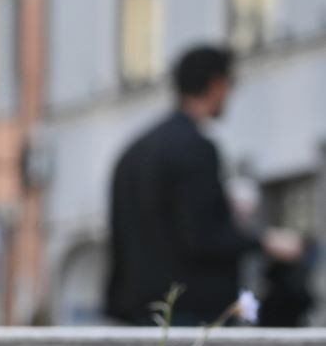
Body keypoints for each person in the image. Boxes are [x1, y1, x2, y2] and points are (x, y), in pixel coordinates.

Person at [104, 44, 305, 325]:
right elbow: (202, 234)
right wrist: (263, 240)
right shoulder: (196, 149)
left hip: (136, 313)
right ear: (216, 84)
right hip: (189, 312)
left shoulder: (133, 151)